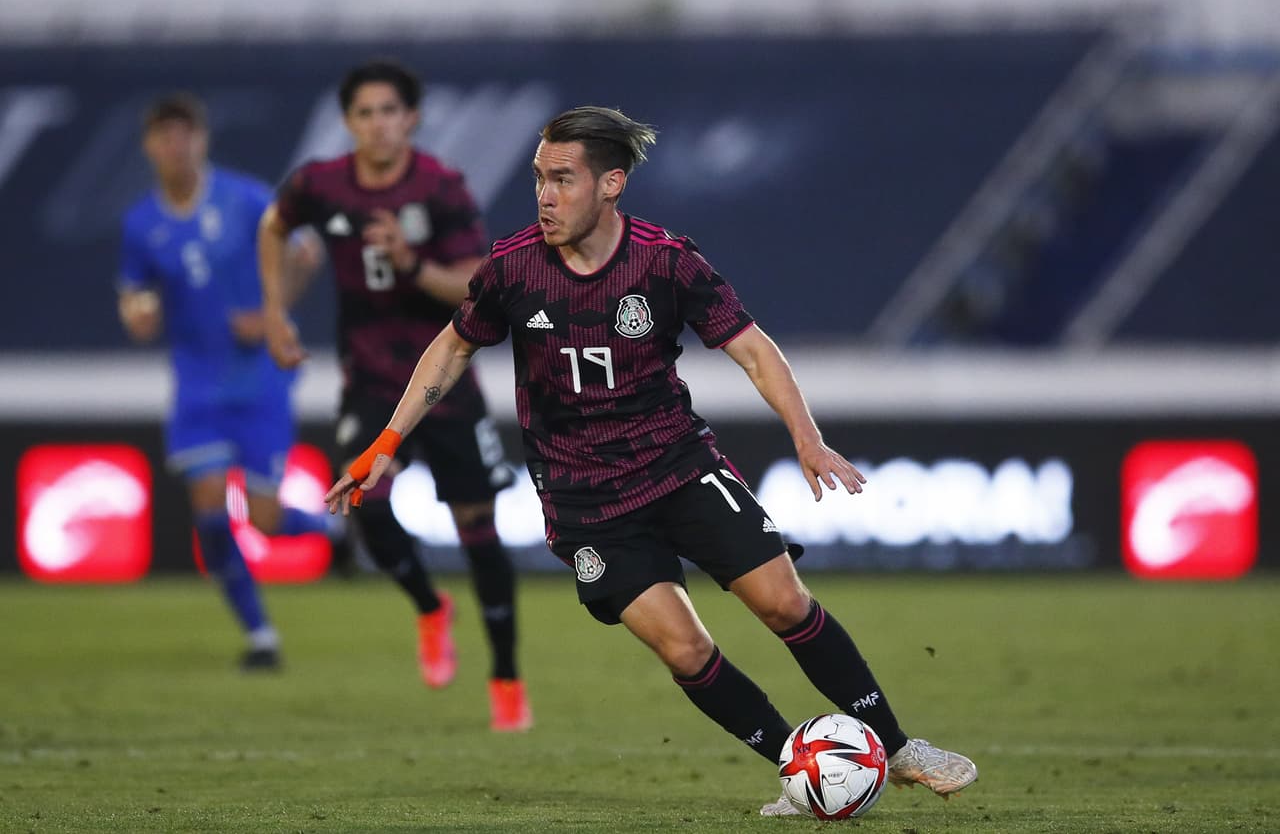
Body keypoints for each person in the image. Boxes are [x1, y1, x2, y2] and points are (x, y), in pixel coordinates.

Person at [323, 105, 978, 811]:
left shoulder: (665, 261)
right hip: (586, 502)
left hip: (679, 467)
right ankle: (803, 772)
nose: (545, 195)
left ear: (612, 184)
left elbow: (754, 351)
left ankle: (898, 747)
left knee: (785, 602)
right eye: (540, 178)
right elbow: (453, 346)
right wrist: (386, 443)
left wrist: (806, 437)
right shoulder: (513, 267)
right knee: (685, 650)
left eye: (563, 179)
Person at [258, 59, 531, 732]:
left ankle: (505, 679)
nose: (378, 124)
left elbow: (476, 285)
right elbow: (273, 225)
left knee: (477, 526)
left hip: (445, 377)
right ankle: (430, 606)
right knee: (362, 499)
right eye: (365, 113)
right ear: (348, 122)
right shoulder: (321, 185)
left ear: (411, 118)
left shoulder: (440, 186)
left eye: (389, 111)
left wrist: (412, 263)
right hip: (371, 381)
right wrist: (274, 311)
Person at [118, 93, 336, 671]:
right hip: (197, 387)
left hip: (260, 380)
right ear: (150, 147)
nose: (176, 146)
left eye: (184, 134)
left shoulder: (244, 199)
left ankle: (338, 533)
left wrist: (271, 312)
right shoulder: (141, 223)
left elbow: (305, 252)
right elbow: (133, 293)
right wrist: (137, 314)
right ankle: (261, 636)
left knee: (265, 519)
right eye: (164, 136)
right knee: (210, 507)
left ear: (202, 139)